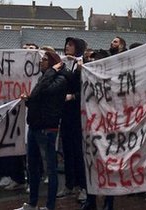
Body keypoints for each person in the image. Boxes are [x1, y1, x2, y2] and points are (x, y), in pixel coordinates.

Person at [15, 51, 67, 210]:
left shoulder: (60, 79)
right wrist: (28, 100)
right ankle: (32, 203)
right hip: (35, 125)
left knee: (50, 169)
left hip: (47, 128)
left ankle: (50, 206)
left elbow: (44, 92)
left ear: (52, 63)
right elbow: (37, 97)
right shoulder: (44, 78)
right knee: (33, 166)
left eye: (45, 60)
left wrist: (51, 72)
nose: (41, 62)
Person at [57, 37, 87, 201]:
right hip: (66, 114)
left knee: (78, 152)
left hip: (78, 114)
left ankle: (82, 186)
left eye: (71, 45)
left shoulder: (84, 64)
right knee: (67, 150)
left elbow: (87, 89)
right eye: (66, 44)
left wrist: (73, 96)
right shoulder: (64, 63)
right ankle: (69, 184)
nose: (67, 47)